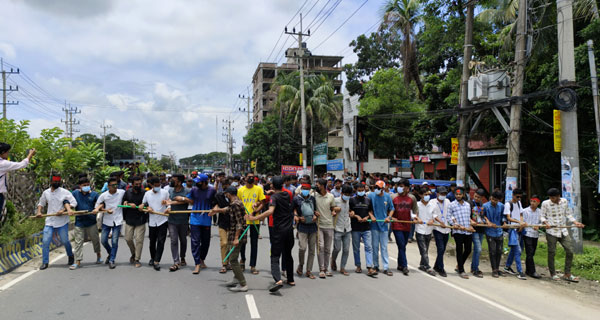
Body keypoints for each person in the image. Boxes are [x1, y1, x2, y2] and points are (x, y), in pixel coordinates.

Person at [247, 176, 295, 292]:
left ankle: (278, 280)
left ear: (273, 185)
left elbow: (270, 211)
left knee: (274, 256)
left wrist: (254, 218)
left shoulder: (274, 197)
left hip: (278, 231)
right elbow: (281, 195)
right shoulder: (287, 195)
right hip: (289, 230)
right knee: (288, 255)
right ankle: (290, 279)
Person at [541, 187, 584, 282]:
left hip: (563, 230)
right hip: (551, 231)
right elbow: (542, 216)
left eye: (553, 198)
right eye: (550, 197)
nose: (551, 199)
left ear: (558, 196)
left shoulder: (564, 201)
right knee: (552, 252)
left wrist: (575, 222)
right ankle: (553, 273)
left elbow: (568, 214)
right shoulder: (545, 203)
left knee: (570, 250)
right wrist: (545, 223)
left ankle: (567, 273)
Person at [36, 174, 77, 270]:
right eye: (55, 181)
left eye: (58, 181)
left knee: (65, 240)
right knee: (46, 241)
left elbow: (74, 203)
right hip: (50, 221)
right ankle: (45, 262)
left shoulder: (65, 192)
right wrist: (39, 212)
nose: (56, 183)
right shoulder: (46, 193)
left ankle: (70, 255)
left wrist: (63, 210)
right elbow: (41, 203)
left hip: (62, 221)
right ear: (51, 182)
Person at [211, 187, 248, 292]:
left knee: (233, 260)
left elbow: (239, 223)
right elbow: (227, 209)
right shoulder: (235, 203)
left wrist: (236, 238)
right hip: (234, 233)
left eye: (226, 194)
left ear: (229, 194)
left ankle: (243, 284)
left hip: (238, 235)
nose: (225, 196)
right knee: (233, 257)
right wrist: (216, 210)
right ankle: (236, 279)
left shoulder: (235, 204)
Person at [93, 177, 126, 269]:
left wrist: (127, 202)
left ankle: (112, 260)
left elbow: (128, 198)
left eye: (116, 185)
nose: (115, 187)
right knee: (103, 240)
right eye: (113, 185)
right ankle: (111, 252)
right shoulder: (103, 195)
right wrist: (105, 210)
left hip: (118, 220)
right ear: (108, 186)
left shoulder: (122, 193)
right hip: (107, 220)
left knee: (114, 241)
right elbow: (98, 206)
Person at [187, 174, 216, 274]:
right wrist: (182, 199)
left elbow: (216, 202)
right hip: (195, 219)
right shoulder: (194, 190)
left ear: (204, 182)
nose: (197, 183)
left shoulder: (212, 190)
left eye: (199, 182)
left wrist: (214, 208)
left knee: (205, 242)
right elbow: (190, 200)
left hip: (206, 220)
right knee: (195, 241)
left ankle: (202, 259)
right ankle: (197, 263)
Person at [70, 177, 102, 269]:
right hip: (79, 222)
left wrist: (96, 209)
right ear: (80, 186)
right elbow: (69, 202)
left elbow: (101, 202)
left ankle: (98, 255)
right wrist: (70, 209)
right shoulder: (75, 193)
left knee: (95, 240)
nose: (86, 187)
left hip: (91, 221)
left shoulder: (94, 194)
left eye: (88, 185)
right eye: (84, 185)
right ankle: (78, 261)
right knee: (78, 242)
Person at [237, 172, 265, 274]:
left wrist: (255, 211)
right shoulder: (240, 190)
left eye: (253, 177)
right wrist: (242, 213)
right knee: (242, 242)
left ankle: (253, 265)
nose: (251, 178)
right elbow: (237, 203)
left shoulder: (258, 189)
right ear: (245, 178)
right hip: (243, 220)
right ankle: (242, 261)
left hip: (254, 220)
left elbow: (263, 203)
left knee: (254, 243)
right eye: (249, 177)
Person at [391, 179, 419, 276]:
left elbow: (415, 211)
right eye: (399, 186)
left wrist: (415, 218)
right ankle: (405, 266)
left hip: (407, 225)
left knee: (403, 245)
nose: (400, 188)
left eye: (403, 186)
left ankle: (399, 264)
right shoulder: (393, 197)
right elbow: (388, 210)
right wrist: (392, 217)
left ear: (407, 188)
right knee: (401, 244)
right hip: (396, 224)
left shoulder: (412, 198)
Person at [142, 176, 170, 271]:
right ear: (151, 185)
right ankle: (153, 258)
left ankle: (157, 261)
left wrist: (168, 208)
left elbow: (169, 203)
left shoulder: (165, 192)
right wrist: (147, 208)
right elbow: (143, 205)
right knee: (152, 242)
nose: (158, 187)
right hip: (152, 221)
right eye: (156, 185)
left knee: (161, 241)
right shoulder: (147, 194)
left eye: (159, 185)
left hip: (163, 220)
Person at [0, 144, 35, 217]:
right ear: (3, 152)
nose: (8, 154)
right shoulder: (3, 164)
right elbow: (22, 164)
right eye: (7, 152)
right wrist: (30, 154)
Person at [349, 183, 376, 277]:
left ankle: (369, 267)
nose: (361, 192)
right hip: (355, 228)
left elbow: (370, 211)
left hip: (366, 228)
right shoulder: (352, 200)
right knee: (356, 249)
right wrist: (356, 216)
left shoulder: (368, 200)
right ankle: (358, 266)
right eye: (359, 190)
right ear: (355, 190)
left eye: (362, 190)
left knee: (368, 247)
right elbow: (350, 212)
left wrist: (367, 217)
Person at [448, 187, 475, 279]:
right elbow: (449, 217)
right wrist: (455, 224)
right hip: (458, 231)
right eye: (457, 194)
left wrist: (471, 224)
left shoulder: (467, 205)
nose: (458, 196)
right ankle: (461, 270)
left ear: (463, 195)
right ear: (455, 195)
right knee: (459, 249)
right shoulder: (452, 205)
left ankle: (459, 265)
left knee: (468, 250)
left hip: (467, 231)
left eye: (460, 194)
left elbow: (469, 217)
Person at [165, 174, 191, 271]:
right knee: (173, 240)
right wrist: (168, 205)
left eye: (173, 180)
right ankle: (176, 261)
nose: (171, 182)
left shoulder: (187, 191)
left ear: (179, 182)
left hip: (183, 220)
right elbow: (168, 201)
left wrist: (176, 201)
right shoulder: (170, 190)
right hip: (172, 220)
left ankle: (183, 257)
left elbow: (188, 202)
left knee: (183, 240)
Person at [368, 180, 394, 276]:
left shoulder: (387, 197)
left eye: (378, 188)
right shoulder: (370, 196)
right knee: (374, 246)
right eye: (375, 187)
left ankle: (386, 267)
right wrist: (371, 216)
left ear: (383, 188)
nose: (376, 189)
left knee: (384, 247)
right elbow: (367, 208)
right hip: (374, 225)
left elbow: (392, 209)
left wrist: (389, 217)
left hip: (384, 225)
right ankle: (375, 265)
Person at [315, 179, 339, 278]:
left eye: (318, 184)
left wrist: (333, 211)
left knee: (327, 248)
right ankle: (321, 269)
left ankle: (327, 268)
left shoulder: (331, 196)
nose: (316, 186)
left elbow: (333, 208)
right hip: (319, 225)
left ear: (322, 186)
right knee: (320, 247)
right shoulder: (315, 196)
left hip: (329, 224)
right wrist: (314, 212)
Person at [294, 183, 318, 279]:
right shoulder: (296, 199)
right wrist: (298, 217)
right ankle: (301, 265)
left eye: (307, 189)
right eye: (303, 188)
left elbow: (315, 210)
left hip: (313, 226)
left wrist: (316, 215)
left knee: (312, 250)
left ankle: (309, 270)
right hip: (302, 227)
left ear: (309, 190)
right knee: (302, 248)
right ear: (300, 189)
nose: (305, 190)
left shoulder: (312, 199)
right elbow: (293, 210)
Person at [122, 176, 146, 268]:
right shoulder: (127, 192)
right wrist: (128, 204)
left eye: (140, 184)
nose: (138, 185)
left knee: (139, 240)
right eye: (136, 184)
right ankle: (133, 253)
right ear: (132, 184)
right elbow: (123, 203)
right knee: (128, 239)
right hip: (129, 219)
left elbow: (148, 203)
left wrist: (143, 205)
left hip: (141, 219)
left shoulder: (145, 193)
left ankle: (137, 259)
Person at [503, 188, 527, 280]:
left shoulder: (519, 203)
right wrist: (518, 222)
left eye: (520, 197)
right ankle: (520, 271)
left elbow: (521, 214)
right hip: (512, 229)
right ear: (513, 195)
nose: (519, 198)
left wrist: (521, 223)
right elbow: (508, 218)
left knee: (514, 249)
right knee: (518, 250)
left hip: (519, 228)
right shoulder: (508, 204)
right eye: (517, 196)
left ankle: (507, 266)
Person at [483, 190, 506, 278]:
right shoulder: (485, 206)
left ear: (499, 200)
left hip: (499, 231)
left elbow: (503, 216)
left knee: (499, 251)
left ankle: (497, 267)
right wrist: (487, 221)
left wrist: (504, 222)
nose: (494, 201)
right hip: (489, 232)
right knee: (492, 251)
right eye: (492, 199)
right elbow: (482, 216)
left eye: (496, 200)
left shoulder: (501, 206)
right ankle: (494, 269)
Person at [331, 184, 353, 276]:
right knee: (337, 248)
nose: (347, 196)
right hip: (338, 228)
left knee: (346, 250)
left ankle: (343, 267)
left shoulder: (350, 201)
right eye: (346, 194)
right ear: (341, 192)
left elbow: (351, 210)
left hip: (347, 228)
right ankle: (333, 259)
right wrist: (333, 211)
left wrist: (352, 212)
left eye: (349, 194)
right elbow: (330, 209)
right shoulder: (335, 201)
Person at [212, 177, 232, 273]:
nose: (225, 189)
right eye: (223, 186)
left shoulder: (236, 195)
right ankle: (224, 264)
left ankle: (231, 262)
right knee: (224, 243)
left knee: (231, 244)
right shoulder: (218, 195)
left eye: (226, 186)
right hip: (222, 222)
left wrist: (220, 210)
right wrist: (214, 210)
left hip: (233, 222)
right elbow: (216, 205)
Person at [415, 186, 435, 276]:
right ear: (420, 195)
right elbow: (412, 214)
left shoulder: (432, 205)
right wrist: (417, 218)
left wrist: (432, 221)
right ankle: (428, 266)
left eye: (428, 194)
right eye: (425, 194)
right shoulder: (417, 204)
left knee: (425, 249)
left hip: (429, 230)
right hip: (420, 230)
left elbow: (435, 215)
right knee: (423, 250)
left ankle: (422, 264)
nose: (427, 196)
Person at [432, 186, 451, 277]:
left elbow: (450, 213)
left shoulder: (447, 202)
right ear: (437, 194)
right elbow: (433, 215)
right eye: (441, 193)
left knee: (442, 250)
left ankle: (436, 266)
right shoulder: (433, 202)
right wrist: (440, 222)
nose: (443, 195)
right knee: (440, 248)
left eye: (444, 194)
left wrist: (453, 222)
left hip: (446, 229)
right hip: (438, 228)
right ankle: (441, 268)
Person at [522, 195, 542, 279]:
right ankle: (533, 271)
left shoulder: (540, 212)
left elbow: (543, 222)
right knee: (529, 252)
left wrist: (539, 226)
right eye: (531, 201)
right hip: (527, 233)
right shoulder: (525, 211)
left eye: (534, 202)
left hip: (535, 234)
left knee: (532, 253)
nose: (532, 203)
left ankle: (528, 270)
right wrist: (524, 224)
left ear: (538, 202)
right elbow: (521, 220)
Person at [470, 188, 487, 278]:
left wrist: (486, 222)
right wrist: (471, 222)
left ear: (482, 198)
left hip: (481, 229)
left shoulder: (481, 205)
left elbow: (483, 216)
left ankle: (473, 267)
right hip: (474, 229)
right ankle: (476, 269)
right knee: (479, 249)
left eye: (478, 197)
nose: (476, 198)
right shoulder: (470, 204)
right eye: (475, 196)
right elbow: (467, 215)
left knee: (477, 250)